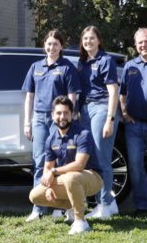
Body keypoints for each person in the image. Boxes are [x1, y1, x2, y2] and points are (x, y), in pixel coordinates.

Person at [22, 30, 81, 222]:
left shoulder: (67, 67)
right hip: (39, 118)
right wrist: (27, 121)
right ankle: (38, 208)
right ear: (44, 45)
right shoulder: (35, 67)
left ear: (61, 46)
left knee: (63, 162)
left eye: (56, 44)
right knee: (40, 161)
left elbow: (72, 96)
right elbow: (29, 96)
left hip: (60, 119)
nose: (52, 47)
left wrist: (69, 119)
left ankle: (63, 207)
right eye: (49, 44)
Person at [29, 96, 103, 235]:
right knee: (35, 196)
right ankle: (72, 206)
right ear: (52, 115)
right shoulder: (51, 139)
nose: (62, 117)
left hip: (92, 177)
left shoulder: (83, 134)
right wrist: (49, 186)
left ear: (72, 114)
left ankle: (81, 221)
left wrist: (54, 171)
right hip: (68, 179)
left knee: (71, 178)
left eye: (66, 113)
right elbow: (47, 167)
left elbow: (80, 165)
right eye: (58, 113)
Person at [78, 26, 119, 219]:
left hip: (102, 107)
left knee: (102, 158)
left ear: (99, 41)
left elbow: (113, 91)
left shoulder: (106, 60)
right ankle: (109, 202)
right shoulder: (83, 62)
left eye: (92, 38)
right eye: (85, 39)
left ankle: (104, 205)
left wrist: (110, 119)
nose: (88, 42)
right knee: (91, 159)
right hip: (85, 109)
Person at [119, 28, 147, 216]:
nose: (143, 45)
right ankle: (142, 205)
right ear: (136, 45)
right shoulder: (130, 66)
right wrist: (124, 112)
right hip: (134, 125)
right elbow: (122, 93)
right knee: (135, 165)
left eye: (146, 41)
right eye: (140, 42)